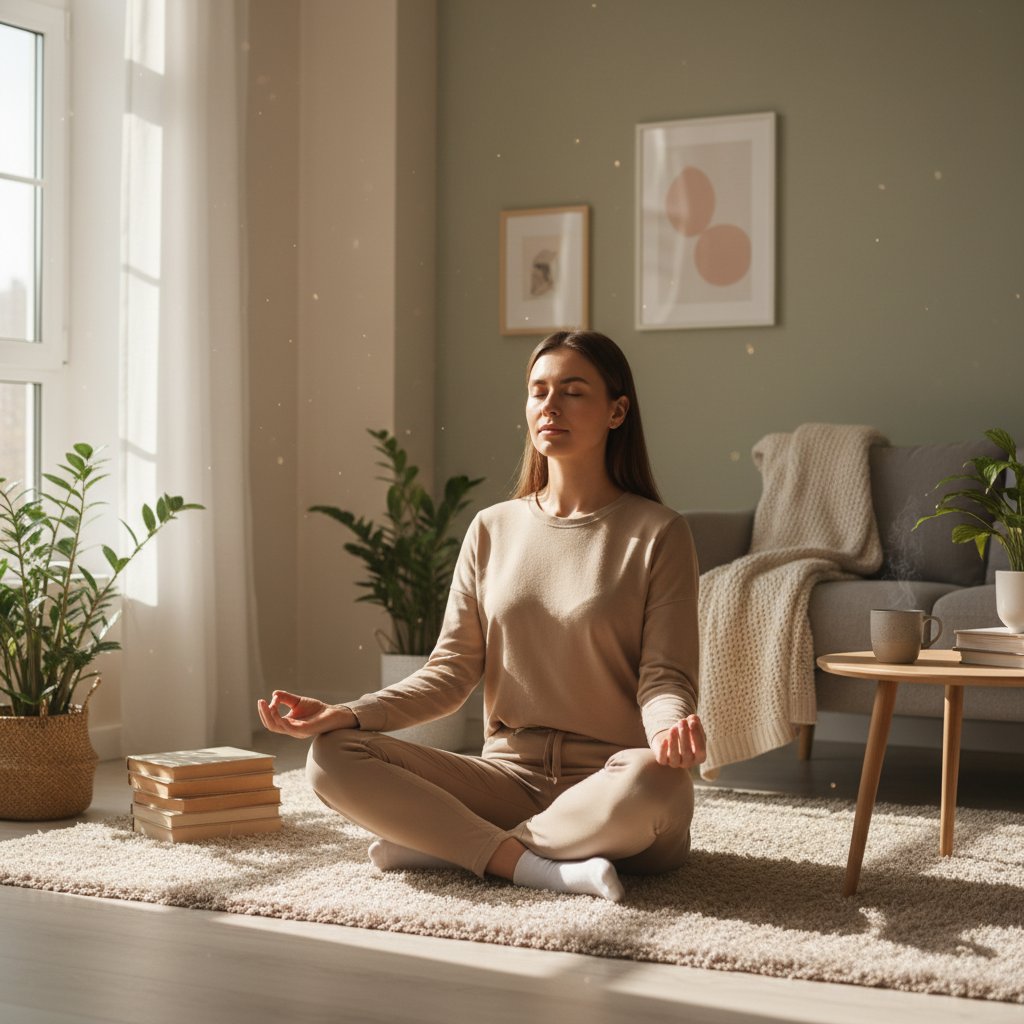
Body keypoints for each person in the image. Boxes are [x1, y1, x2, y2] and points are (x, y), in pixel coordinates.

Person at [257, 330, 706, 902]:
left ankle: (452, 847)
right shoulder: (492, 528)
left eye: (572, 391)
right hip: (506, 779)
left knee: (656, 781)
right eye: (538, 390)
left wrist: (670, 732)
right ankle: (529, 864)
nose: (550, 405)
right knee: (330, 757)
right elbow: (449, 673)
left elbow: (665, 676)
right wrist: (346, 713)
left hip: (611, 785)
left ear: (617, 411)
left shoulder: (659, 532)